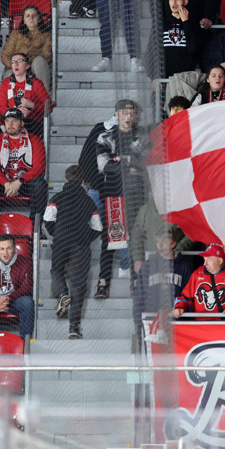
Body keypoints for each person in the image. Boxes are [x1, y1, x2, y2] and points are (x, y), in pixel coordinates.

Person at [91, 99, 148, 299]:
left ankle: (136, 281)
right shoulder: (105, 136)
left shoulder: (142, 136)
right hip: (112, 192)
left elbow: (145, 163)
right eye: (124, 113)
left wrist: (120, 160)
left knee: (135, 237)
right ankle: (103, 282)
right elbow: (103, 165)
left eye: (131, 113)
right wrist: (129, 163)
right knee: (110, 237)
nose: (127, 117)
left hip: (136, 193)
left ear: (136, 116)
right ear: (116, 114)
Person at [43, 165, 102, 340]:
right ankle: (74, 327)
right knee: (78, 284)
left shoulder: (57, 198)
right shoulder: (89, 201)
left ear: (66, 179)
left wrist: (57, 233)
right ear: (83, 181)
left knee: (56, 270)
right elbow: (98, 227)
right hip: (81, 245)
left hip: (61, 241)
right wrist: (86, 237)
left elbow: (47, 220)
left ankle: (62, 294)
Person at [0, 108, 48, 226]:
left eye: (14, 121)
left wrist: (19, 181)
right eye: (7, 121)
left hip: (25, 183)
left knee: (40, 185)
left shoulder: (35, 141)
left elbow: (39, 167)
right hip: (4, 184)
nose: (10, 125)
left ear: (22, 123)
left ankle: (34, 227)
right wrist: (6, 183)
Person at [171, 244, 225, 319]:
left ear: (219, 261)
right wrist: (179, 307)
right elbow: (186, 297)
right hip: (200, 326)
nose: (205, 264)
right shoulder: (197, 274)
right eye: (204, 259)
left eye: (208, 260)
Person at [133, 225, 193, 327]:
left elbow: (189, 298)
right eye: (157, 241)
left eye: (164, 242)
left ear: (173, 244)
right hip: (151, 321)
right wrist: (138, 322)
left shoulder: (184, 267)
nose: (159, 246)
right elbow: (139, 296)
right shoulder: (147, 266)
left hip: (177, 323)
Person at [0, 52, 51, 135]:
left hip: (32, 123)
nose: (16, 64)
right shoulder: (5, 83)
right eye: (13, 62)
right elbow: (2, 108)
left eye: (20, 61)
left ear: (27, 65)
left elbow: (49, 106)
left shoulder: (36, 83)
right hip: (11, 122)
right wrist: (16, 112)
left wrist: (32, 105)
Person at [1, 5, 52, 88]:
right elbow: (5, 54)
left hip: (35, 68)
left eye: (34, 15)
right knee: (10, 75)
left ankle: (43, 94)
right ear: (24, 20)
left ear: (39, 19)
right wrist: (17, 65)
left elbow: (47, 55)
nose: (31, 18)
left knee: (39, 60)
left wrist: (27, 65)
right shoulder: (16, 33)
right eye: (27, 16)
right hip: (15, 68)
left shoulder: (46, 35)